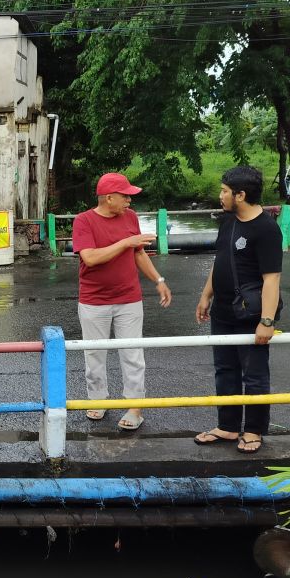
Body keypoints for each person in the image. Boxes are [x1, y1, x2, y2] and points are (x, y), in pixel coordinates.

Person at [72, 172, 172, 431]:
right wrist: (126, 241)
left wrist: (158, 280)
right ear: (108, 198)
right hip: (94, 301)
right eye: (125, 195)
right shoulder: (84, 221)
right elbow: (91, 257)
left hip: (129, 298)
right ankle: (97, 399)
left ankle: (135, 407)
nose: (129, 200)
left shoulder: (130, 217)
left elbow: (138, 253)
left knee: (132, 354)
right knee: (94, 354)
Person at [194, 166, 283, 455]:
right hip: (222, 311)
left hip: (250, 315)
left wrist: (266, 321)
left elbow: (272, 279)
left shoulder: (266, 229)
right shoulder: (228, 221)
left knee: (254, 374)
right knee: (225, 370)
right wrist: (205, 295)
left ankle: (254, 430)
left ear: (241, 195)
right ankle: (228, 426)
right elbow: (221, 261)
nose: (220, 195)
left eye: (224, 191)